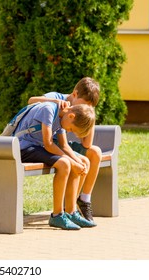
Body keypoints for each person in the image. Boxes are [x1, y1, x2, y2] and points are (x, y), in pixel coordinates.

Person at [28, 77, 101, 224]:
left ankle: (83, 200)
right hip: (47, 144)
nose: (87, 108)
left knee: (93, 153)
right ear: (74, 94)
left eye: (90, 106)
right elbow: (31, 101)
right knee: (78, 162)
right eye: (85, 104)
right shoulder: (57, 99)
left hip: (62, 144)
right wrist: (56, 103)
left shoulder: (79, 114)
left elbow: (87, 144)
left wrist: (90, 115)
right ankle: (68, 209)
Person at [16, 102, 96, 230]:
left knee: (83, 161)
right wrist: (72, 162)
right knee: (65, 164)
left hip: (36, 147)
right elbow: (48, 144)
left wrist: (77, 161)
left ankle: (71, 212)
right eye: (71, 129)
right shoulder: (49, 110)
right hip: (23, 147)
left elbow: (64, 146)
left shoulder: (62, 117)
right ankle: (57, 215)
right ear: (71, 116)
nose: (69, 131)